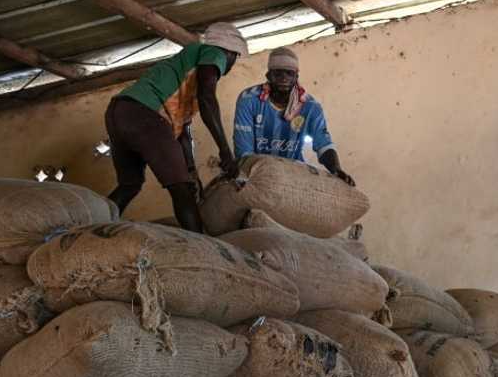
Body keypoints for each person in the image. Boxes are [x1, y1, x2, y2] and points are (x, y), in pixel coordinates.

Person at [104, 22, 247, 231]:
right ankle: (205, 248)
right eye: (235, 57)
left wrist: (191, 172)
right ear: (230, 52)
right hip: (144, 114)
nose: (231, 64)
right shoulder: (214, 52)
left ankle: (92, 227)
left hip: (119, 112)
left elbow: (182, 132)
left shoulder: (184, 72)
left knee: (129, 185)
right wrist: (225, 151)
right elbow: (208, 99)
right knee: (182, 190)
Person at [232, 46, 355, 185]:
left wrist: (336, 169)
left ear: (296, 76)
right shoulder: (249, 100)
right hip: (256, 172)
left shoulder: (310, 106)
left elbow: (324, 145)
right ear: (268, 75)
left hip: (294, 172)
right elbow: (244, 151)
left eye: (289, 73)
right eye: (278, 73)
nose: (283, 78)